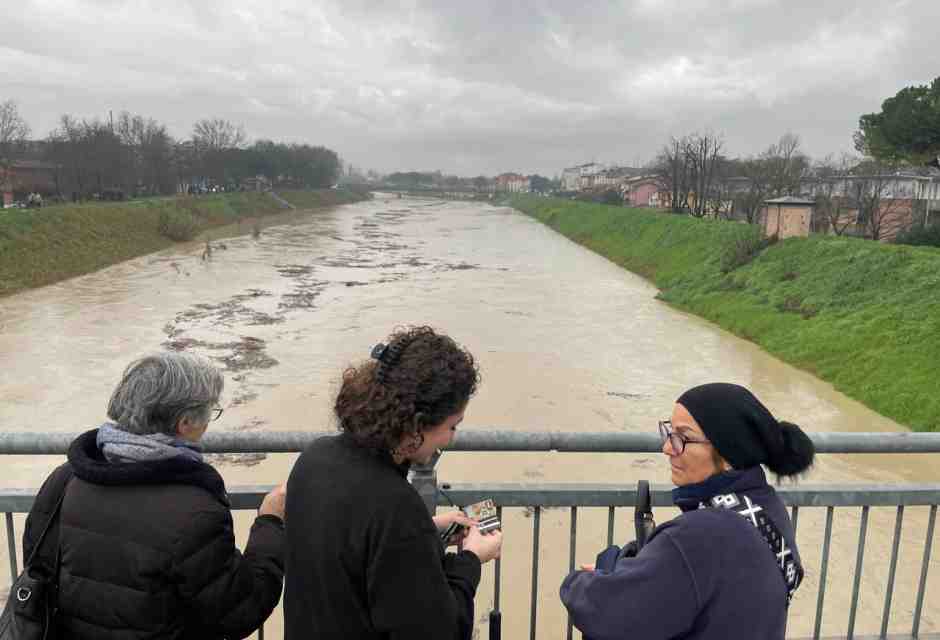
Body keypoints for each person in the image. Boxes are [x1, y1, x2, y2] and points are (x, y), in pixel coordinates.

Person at [23, 352, 286, 639]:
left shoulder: (65, 480)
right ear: (184, 423)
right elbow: (240, 612)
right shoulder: (195, 513)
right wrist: (271, 522)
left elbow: (38, 565)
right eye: (210, 412)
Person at [285, 326, 503, 640]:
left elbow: (354, 551)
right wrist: (469, 560)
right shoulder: (396, 506)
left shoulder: (315, 458)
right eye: (452, 426)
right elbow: (439, 630)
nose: (449, 439)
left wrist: (427, 531)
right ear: (417, 425)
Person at [560, 382, 815, 640]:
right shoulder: (769, 510)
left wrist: (583, 580)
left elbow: (608, 614)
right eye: (670, 432)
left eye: (684, 437)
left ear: (729, 452)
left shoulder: (696, 535)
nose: (668, 448)